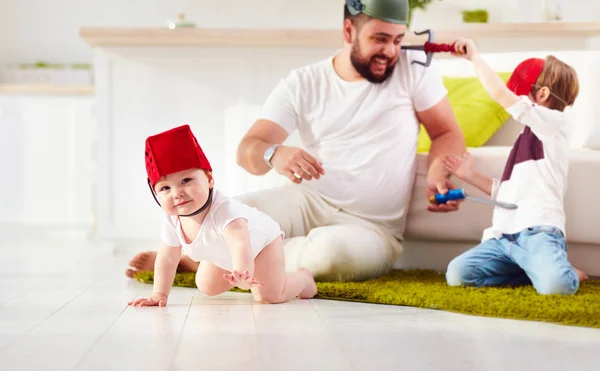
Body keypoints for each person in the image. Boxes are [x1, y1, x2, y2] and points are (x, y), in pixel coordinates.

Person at [125, 0, 466, 282]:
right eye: (379, 39)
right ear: (349, 31)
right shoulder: (304, 82)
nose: (390, 51)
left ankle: (210, 261)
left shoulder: (414, 71)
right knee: (228, 213)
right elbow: (248, 150)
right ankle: (217, 255)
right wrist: (274, 153)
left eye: (397, 39)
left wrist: (439, 170)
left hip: (373, 227)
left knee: (331, 255)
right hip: (308, 201)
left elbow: (446, 132)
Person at [444, 38, 588, 295]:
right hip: (503, 240)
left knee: (557, 287)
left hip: (539, 234)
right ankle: (534, 269)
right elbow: (508, 196)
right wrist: (469, 175)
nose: (514, 99)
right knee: (458, 274)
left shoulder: (554, 125)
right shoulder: (524, 140)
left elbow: (500, 95)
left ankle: (561, 270)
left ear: (542, 95)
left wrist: (475, 57)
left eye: (521, 92)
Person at [128, 125, 317, 307]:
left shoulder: (225, 211)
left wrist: (243, 271)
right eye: (165, 188)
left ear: (209, 179)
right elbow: (167, 258)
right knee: (207, 286)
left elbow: (240, 244)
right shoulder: (173, 220)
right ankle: (217, 268)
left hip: (261, 244)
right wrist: (158, 295)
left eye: (186, 180)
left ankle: (303, 278)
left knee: (269, 295)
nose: (177, 193)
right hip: (223, 251)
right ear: (156, 194)